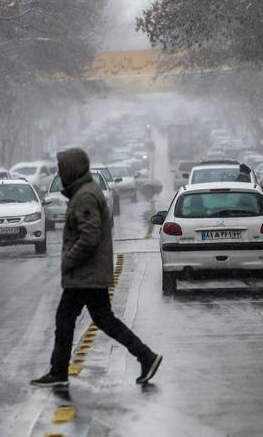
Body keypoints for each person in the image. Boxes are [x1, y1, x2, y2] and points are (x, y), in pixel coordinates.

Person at [31, 147, 162, 388]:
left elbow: (89, 236)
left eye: (62, 169)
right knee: (102, 320)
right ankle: (146, 356)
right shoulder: (85, 192)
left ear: (72, 170)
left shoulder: (84, 196)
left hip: (85, 275)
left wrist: (69, 259)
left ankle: (59, 372)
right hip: (89, 274)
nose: (59, 173)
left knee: (66, 318)